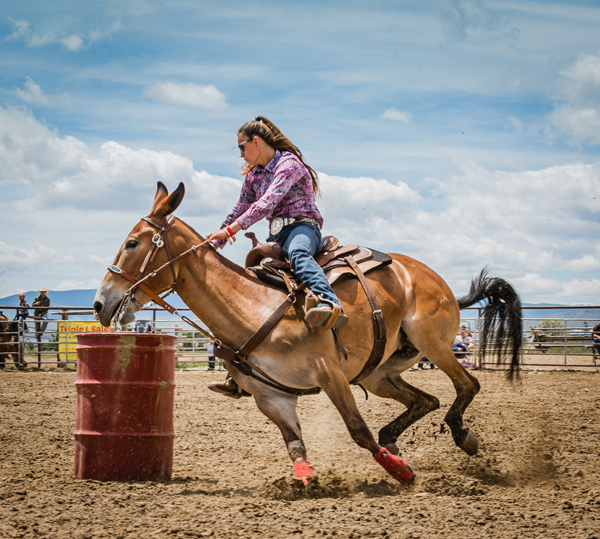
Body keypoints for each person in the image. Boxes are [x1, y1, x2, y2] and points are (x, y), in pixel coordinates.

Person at [205, 116, 348, 398]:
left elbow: (266, 203)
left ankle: (332, 304)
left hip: (303, 227)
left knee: (298, 255)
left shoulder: (289, 164)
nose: (241, 153)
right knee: (251, 284)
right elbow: (240, 207)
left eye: (242, 147)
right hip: (275, 235)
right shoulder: (253, 176)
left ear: (256, 142)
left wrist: (231, 230)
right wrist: (218, 240)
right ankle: (238, 371)